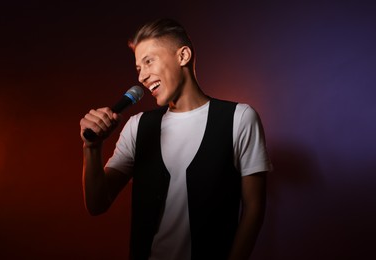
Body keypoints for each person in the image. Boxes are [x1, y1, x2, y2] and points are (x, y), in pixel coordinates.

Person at [80, 18, 272, 260]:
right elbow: (97, 204)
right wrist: (92, 148)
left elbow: (254, 209)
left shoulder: (240, 118)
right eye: (139, 68)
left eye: (149, 61)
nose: (142, 77)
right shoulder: (137, 126)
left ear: (183, 57)